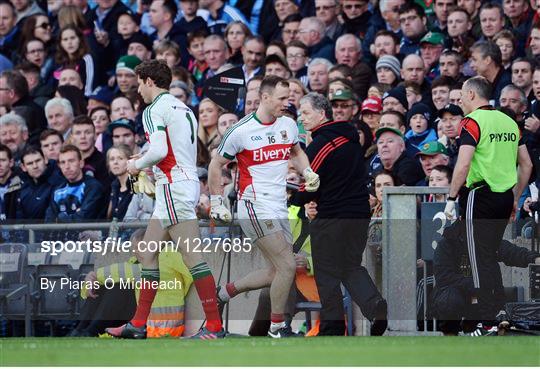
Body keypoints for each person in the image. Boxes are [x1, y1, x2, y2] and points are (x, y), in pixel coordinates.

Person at [105, 60, 224, 340]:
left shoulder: (153, 109)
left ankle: (215, 326)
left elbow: (158, 150)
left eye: (139, 84)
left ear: (148, 81)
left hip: (173, 187)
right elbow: (173, 151)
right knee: (147, 252)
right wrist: (148, 164)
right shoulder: (184, 109)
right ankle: (137, 324)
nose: (139, 91)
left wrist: (136, 166)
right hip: (182, 182)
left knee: (192, 257)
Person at [208, 75, 320, 338]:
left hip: (279, 206)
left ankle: (224, 293)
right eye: (282, 98)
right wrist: (216, 201)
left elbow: (295, 152)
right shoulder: (240, 130)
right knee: (288, 265)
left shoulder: (289, 125)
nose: (286, 103)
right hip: (254, 206)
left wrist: (308, 171)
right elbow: (215, 165)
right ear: (264, 97)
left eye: (288, 97)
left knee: (277, 270)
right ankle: (278, 327)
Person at [443, 76, 533, 334]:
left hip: (479, 196)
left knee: (477, 258)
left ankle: (486, 320)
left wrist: (451, 199)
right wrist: (515, 196)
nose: (459, 99)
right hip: (504, 198)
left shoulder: (472, 122)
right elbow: (526, 164)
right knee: (489, 256)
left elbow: (463, 164)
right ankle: (499, 311)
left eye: (461, 94)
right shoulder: (509, 121)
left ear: (471, 94)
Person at [295, 92, 387, 336]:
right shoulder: (350, 139)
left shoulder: (321, 144)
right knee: (350, 266)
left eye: (305, 112)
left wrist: (295, 199)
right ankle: (375, 305)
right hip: (357, 215)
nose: (301, 118)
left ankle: (332, 329)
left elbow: (309, 183)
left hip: (332, 216)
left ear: (321, 113)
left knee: (327, 274)